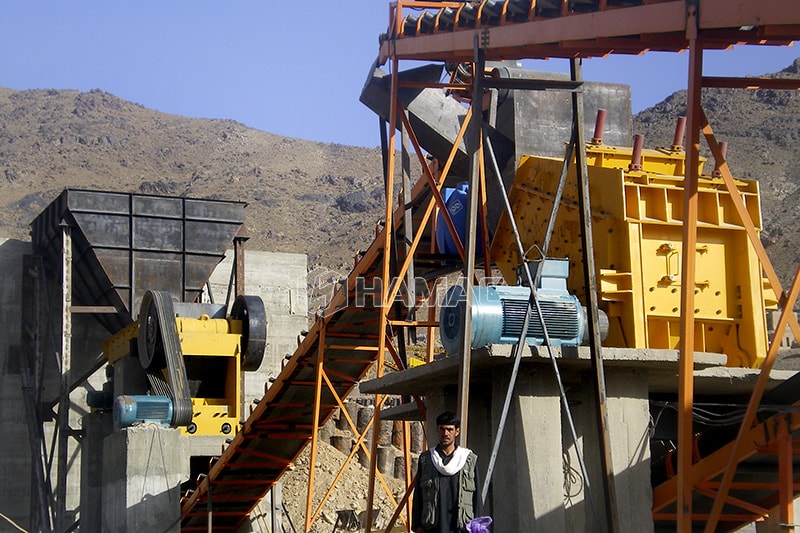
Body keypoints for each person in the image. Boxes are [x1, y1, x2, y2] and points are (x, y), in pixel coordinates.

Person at [411, 411, 482, 533]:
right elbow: (418, 496)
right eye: (442, 429)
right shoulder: (427, 459)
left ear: (457, 431)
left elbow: (476, 497)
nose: (446, 434)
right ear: (437, 430)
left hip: (461, 527)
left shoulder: (468, 459)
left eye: (450, 430)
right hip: (433, 527)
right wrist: (418, 525)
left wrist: (477, 526)